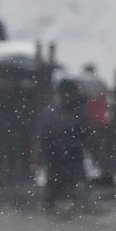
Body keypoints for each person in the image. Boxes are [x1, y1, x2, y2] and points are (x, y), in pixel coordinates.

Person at [34, 79, 88, 213]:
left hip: (72, 156)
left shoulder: (78, 112)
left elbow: (86, 135)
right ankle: (53, 210)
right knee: (53, 189)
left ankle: (71, 210)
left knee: (73, 189)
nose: (67, 97)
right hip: (55, 157)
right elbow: (41, 136)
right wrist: (36, 157)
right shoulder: (51, 113)